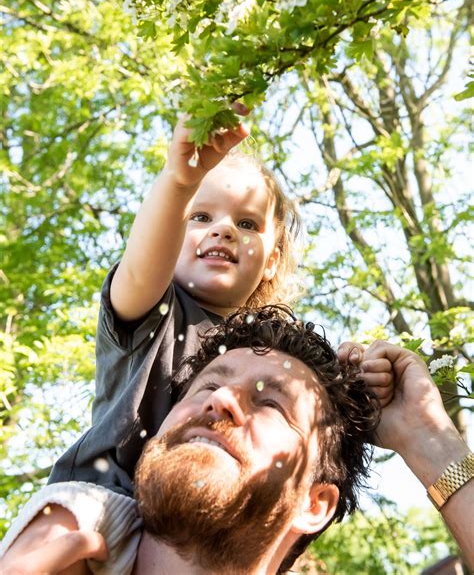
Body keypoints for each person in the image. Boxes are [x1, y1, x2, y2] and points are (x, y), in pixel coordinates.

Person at [2, 307, 472, 573]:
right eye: (206, 386)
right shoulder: (65, 527)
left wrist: (430, 440)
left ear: (315, 503)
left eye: (271, 404)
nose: (222, 399)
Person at [47, 114, 301, 495]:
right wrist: (180, 183)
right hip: (105, 501)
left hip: (192, 528)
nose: (225, 229)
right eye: (200, 216)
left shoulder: (265, 354)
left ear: (272, 262)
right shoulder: (154, 309)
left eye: (248, 224)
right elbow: (139, 272)